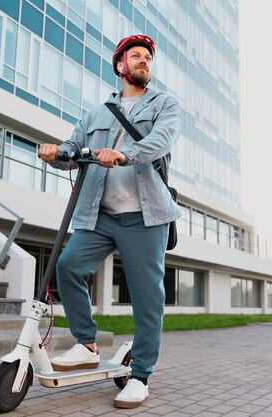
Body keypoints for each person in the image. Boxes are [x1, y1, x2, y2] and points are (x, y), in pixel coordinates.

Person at [38, 34, 181, 409]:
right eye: (136, 56)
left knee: (147, 297)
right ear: (121, 66)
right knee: (67, 267)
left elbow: (162, 141)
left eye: (148, 57)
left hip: (145, 217)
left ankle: (140, 375)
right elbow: (74, 148)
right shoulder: (97, 113)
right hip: (99, 214)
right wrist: (57, 153)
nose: (143, 61)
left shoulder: (164, 104)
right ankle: (86, 343)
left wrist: (124, 154)